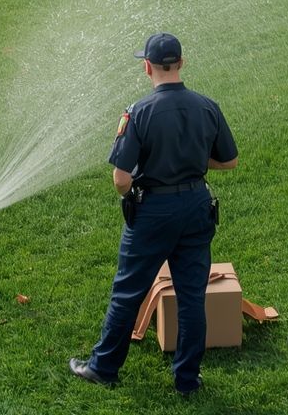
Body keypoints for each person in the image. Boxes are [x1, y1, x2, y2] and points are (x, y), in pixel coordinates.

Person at [69, 32, 238, 394]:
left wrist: (139, 190)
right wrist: (191, 163)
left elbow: (120, 179)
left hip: (153, 212)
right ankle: (187, 381)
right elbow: (230, 160)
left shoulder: (139, 111)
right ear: (181, 63)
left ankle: (104, 368)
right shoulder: (208, 106)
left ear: (147, 67)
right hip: (196, 207)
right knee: (192, 296)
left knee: (129, 291)